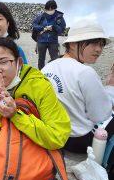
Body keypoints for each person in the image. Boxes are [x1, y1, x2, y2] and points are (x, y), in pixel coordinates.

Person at [0, 37, 70, 180]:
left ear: (18, 62)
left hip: (35, 159)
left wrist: (15, 115)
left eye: (4, 62)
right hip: (2, 159)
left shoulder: (39, 86)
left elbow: (58, 136)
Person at [41, 19, 114, 153]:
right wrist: (110, 87)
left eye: (101, 45)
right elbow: (101, 115)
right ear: (73, 44)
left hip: (52, 134)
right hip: (78, 140)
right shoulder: (85, 72)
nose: (98, 50)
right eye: (93, 43)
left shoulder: (47, 67)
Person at [32, 0, 66, 70]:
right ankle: (41, 73)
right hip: (41, 41)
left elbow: (62, 29)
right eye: (48, 9)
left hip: (53, 42)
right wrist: (42, 28)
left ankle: (55, 73)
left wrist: (54, 27)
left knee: (55, 60)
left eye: (51, 8)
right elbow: (34, 25)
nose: (49, 10)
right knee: (41, 60)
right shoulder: (41, 16)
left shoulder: (59, 17)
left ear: (54, 8)